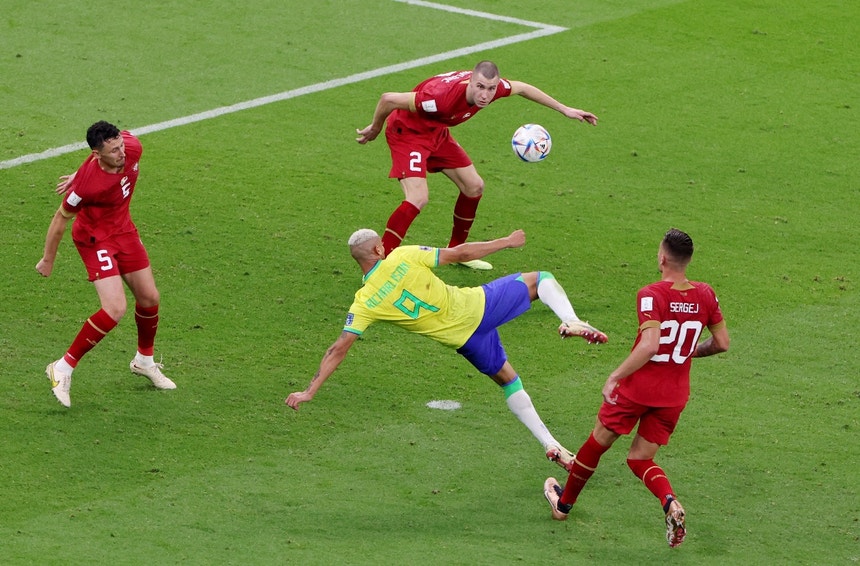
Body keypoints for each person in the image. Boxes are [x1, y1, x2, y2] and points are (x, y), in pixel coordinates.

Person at [285, 227, 607, 471]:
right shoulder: (401, 256)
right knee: (542, 279)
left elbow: (339, 348)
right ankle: (572, 320)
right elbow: (460, 253)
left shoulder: (365, 301)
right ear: (380, 248)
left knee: (510, 380)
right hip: (478, 307)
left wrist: (310, 391)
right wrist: (506, 242)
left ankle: (550, 444)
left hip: (465, 342)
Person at [543, 228, 730, 548]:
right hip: (674, 394)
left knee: (597, 443)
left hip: (637, 388)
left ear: (662, 258)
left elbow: (650, 344)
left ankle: (563, 506)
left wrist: (614, 376)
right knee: (640, 459)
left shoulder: (651, 294)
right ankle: (670, 502)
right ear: (687, 261)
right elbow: (723, 343)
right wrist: (688, 352)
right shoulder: (706, 294)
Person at [355, 60, 598, 270]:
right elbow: (388, 99)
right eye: (480, 87)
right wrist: (375, 128)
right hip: (408, 133)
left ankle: (458, 250)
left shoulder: (494, 90)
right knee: (418, 197)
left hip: (437, 132)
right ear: (470, 82)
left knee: (474, 186)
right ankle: (378, 266)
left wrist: (565, 109)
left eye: (491, 89)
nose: (485, 94)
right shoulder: (440, 99)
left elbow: (523, 88)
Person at [36, 120, 176, 408]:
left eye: (120, 146)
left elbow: (115, 147)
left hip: (123, 230)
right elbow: (60, 219)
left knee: (150, 298)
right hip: (94, 238)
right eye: (113, 151)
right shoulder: (86, 187)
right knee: (115, 308)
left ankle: (144, 361)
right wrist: (48, 259)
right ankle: (62, 368)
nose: (121, 153)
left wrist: (80, 168)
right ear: (98, 154)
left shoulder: (132, 147)